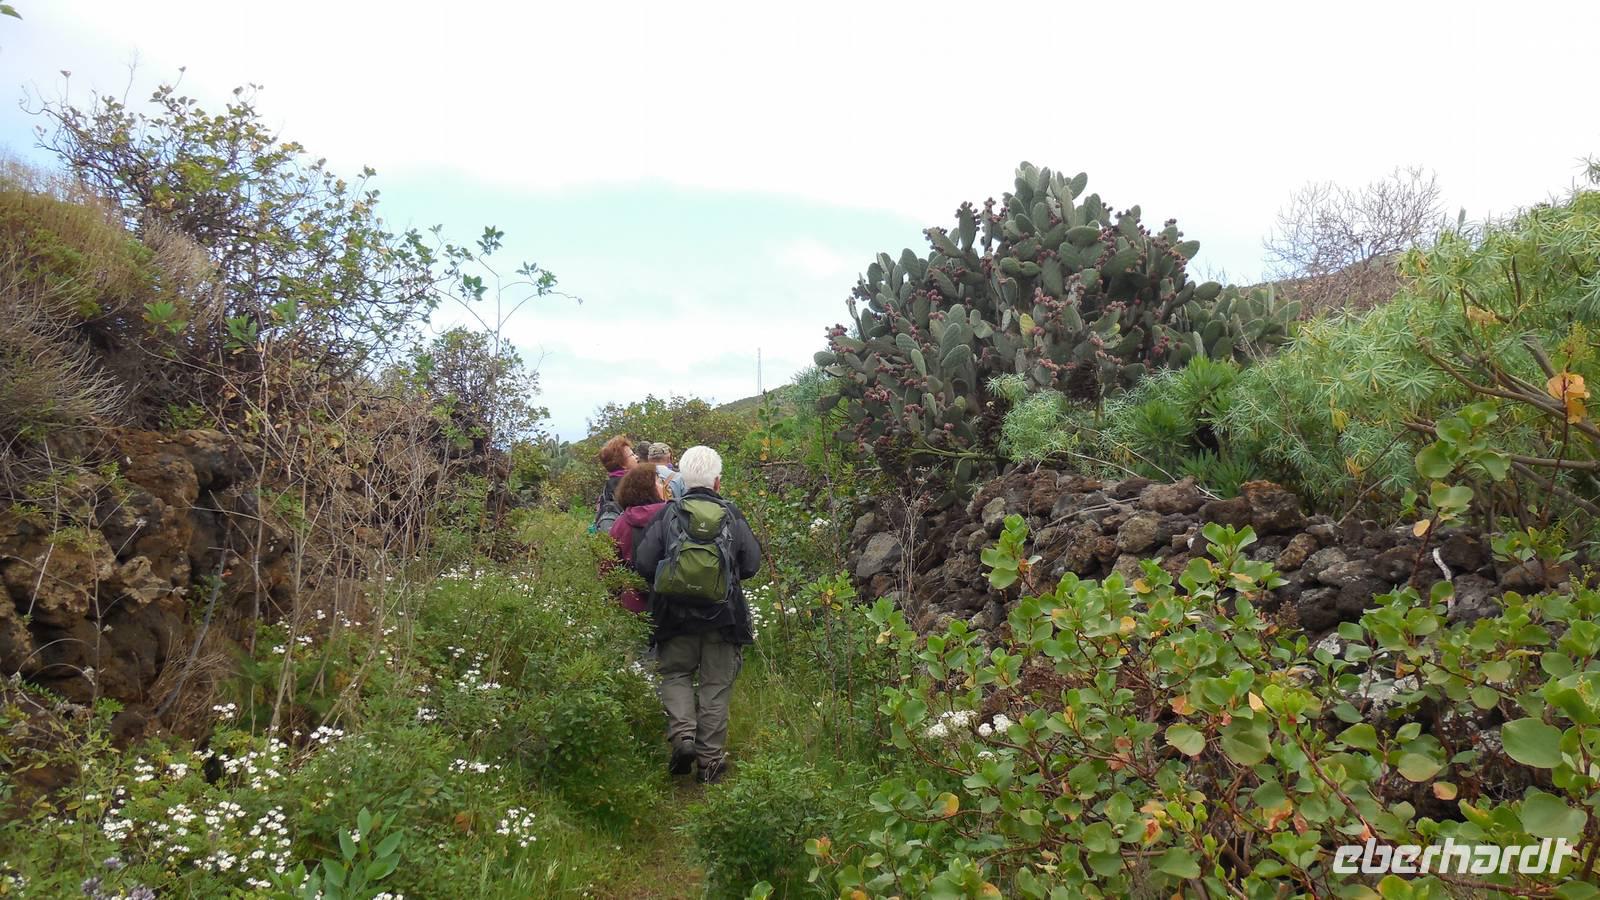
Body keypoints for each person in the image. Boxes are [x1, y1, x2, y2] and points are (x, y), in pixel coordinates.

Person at [632, 446, 761, 783]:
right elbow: (751, 564)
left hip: (673, 616)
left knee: (675, 675)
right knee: (715, 686)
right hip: (723, 617)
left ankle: (683, 737)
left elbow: (643, 563)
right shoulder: (731, 514)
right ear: (717, 481)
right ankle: (710, 763)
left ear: (682, 480)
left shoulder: (668, 514)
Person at [607, 464, 671, 614]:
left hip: (633, 604)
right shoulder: (671, 516)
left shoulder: (621, 524)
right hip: (669, 604)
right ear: (649, 488)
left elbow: (608, 569)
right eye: (659, 481)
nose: (664, 485)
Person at [589, 435, 638, 534]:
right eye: (632, 455)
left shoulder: (608, 486)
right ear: (622, 463)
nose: (636, 457)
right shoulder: (632, 484)